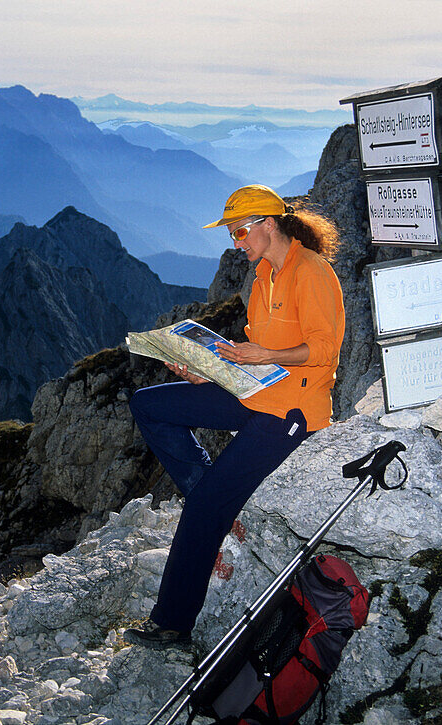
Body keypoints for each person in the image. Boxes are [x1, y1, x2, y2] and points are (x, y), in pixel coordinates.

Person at [124, 184, 345, 648]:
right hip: (252, 393)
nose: (236, 242)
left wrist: (265, 352)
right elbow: (252, 354)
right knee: (151, 404)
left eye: (241, 231)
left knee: (204, 509)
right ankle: (210, 491)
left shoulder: (313, 272)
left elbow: (325, 350)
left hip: (292, 411)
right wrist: (210, 372)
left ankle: (172, 623)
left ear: (269, 223)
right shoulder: (263, 273)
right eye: (232, 234)